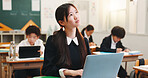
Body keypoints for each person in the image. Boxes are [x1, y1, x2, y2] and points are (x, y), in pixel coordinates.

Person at [42, 3, 90, 78]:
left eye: (76, 12)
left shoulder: (84, 41)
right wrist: (69, 72)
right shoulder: (53, 40)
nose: (76, 16)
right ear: (61, 22)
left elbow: (89, 66)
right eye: (71, 14)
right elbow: (47, 69)